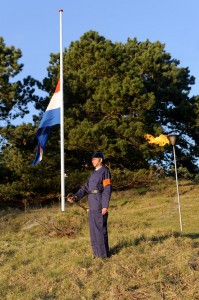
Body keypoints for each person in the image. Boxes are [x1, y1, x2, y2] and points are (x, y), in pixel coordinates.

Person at [67, 152, 112, 258]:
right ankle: (96, 253)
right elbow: (85, 188)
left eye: (94, 159)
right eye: (92, 159)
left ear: (100, 160)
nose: (92, 161)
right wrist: (75, 197)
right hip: (91, 202)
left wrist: (105, 205)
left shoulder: (105, 171)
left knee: (100, 228)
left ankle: (103, 255)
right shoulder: (93, 174)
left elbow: (107, 189)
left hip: (99, 202)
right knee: (93, 229)